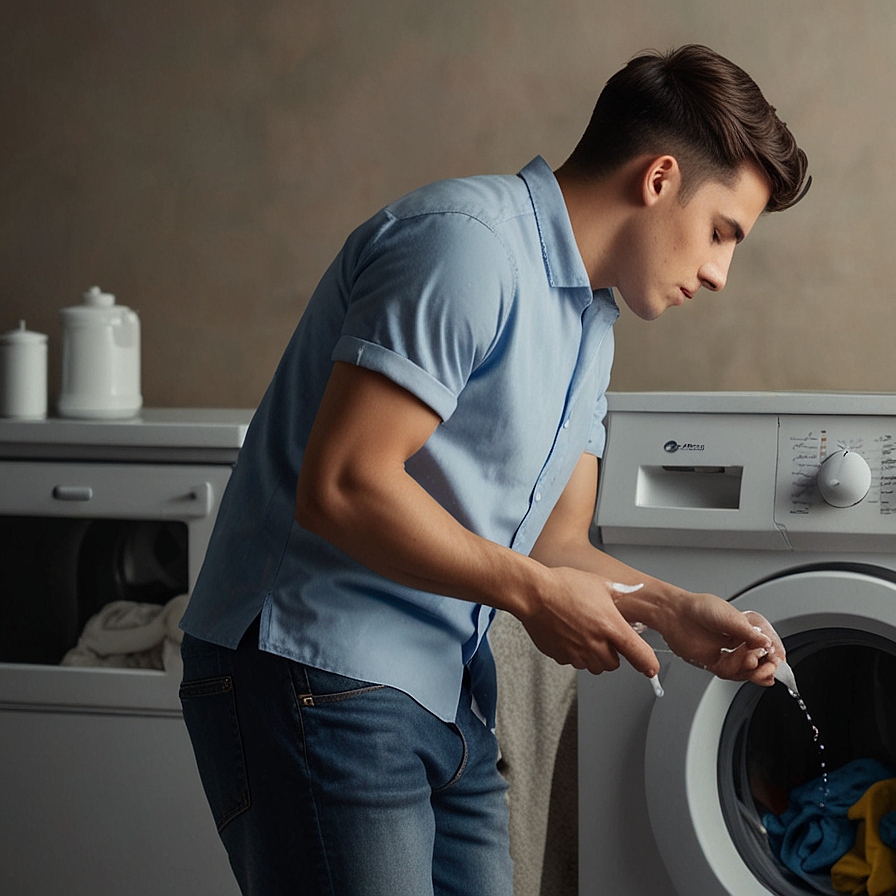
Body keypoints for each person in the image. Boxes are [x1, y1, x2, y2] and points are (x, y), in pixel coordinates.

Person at [177, 44, 810, 896]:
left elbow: (556, 546)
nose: (719, 273)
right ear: (660, 179)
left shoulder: (592, 322)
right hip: (315, 673)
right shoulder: (464, 245)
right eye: (722, 232)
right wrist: (534, 596)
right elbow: (345, 485)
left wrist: (671, 611)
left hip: (444, 692)